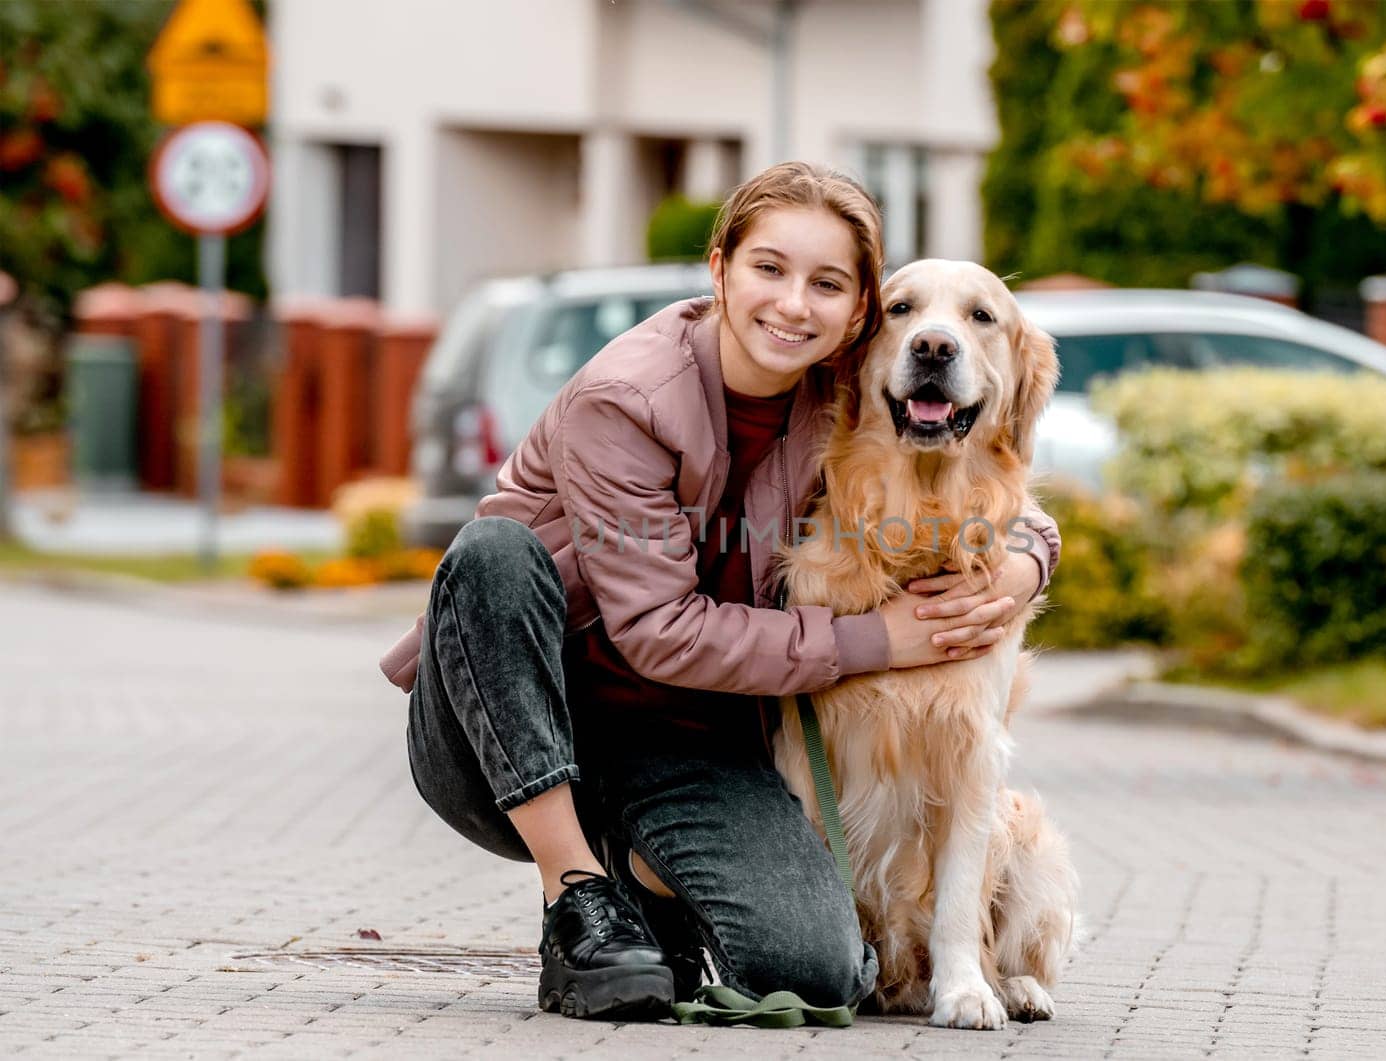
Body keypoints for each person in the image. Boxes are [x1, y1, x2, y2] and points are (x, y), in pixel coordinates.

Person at [380, 161, 1062, 1021]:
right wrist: (882, 639)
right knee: (491, 554)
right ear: (720, 269)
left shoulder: (844, 392)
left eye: (825, 284)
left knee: (812, 968)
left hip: (679, 733)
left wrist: (1024, 559)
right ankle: (577, 897)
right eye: (768, 269)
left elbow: (989, 478)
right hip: (515, 722)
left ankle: (649, 879)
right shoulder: (622, 401)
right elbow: (661, 631)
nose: (791, 304)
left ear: (856, 314)